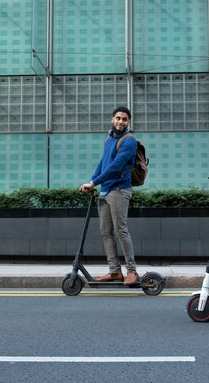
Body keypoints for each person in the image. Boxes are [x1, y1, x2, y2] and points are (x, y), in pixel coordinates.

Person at [79, 106, 139, 285]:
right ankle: (114, 272)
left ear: (128, 122)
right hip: (105, 190)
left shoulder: (129, 141)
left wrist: (94, 183)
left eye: (125, 119)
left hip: (119, 190)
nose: (121, 121)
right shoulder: (108, 140)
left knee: (121, 230)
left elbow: (115, 166)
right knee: (106, 232)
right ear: (112, 119)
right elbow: (103, 163)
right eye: (118, 118)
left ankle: (132, 271)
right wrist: (91, 181)